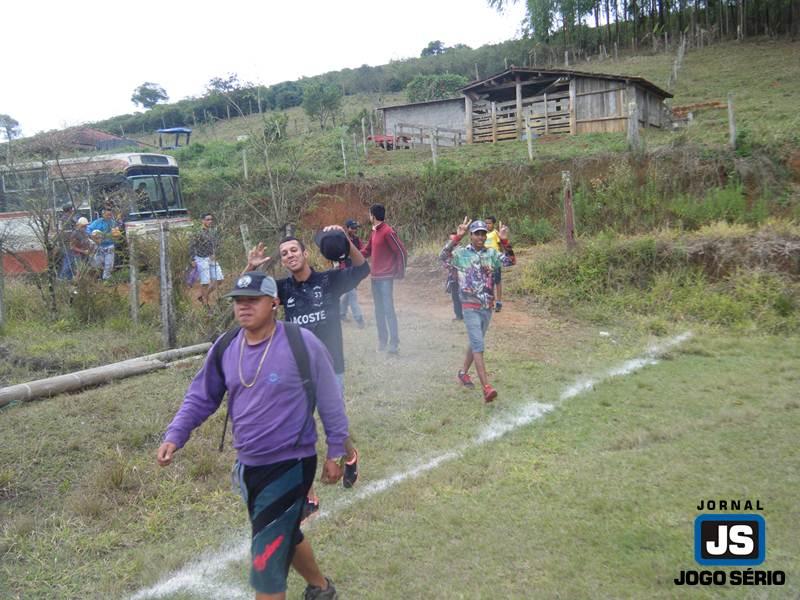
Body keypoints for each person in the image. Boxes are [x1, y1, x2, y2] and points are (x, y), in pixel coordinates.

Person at [157, 272, 344, 600]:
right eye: (238, 301)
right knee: (282, 530)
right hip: (248, 464)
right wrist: (176, 434)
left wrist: (336, 450)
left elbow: (330, 399)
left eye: (252, 300)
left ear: (274, 303)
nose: (243, 307)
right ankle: (320, 587)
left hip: (291, 463)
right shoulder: (227, 346)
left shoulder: (301, 343)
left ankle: (312, 586)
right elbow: (201, 395)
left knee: (266, 559)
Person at [245, 228, 367, 490]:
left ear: (305, 253)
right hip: (296, 368)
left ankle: (349, 455)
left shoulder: (329, 281)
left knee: (333, 420)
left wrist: (346, 241)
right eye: (284, 253)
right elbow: (247, 297)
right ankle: (307, 493)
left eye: (293, 250)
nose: (289, 256)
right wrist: (250, 267)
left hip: (331, 365)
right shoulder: (281, 288)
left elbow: (362, 269)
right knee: (295, 428)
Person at [440, 217, 515, 403]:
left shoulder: (492, 254)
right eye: (476, 234)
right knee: (479, 346)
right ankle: (486, 388)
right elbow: (442, 256)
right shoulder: (461, 254)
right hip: (469, 306)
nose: (480, 237)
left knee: (475, 342)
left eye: (483, 233)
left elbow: (511, 261)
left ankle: (463, 373)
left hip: (486, 307)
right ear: (471, 236)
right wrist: (457, 237)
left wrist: (505, 241)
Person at [361, 204, 407, 354]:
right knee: (378, 311)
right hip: (374, 278)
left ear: (373, 216)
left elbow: (401, 251)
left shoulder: (388, 231)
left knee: (388, 310)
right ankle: (382, 341)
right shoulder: (374, 232)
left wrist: (399, 272)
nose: (369, 217)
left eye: (369, 214)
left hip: (386, 278)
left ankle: (394, 343)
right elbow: (367, 251)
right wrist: (352, 254)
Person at [189, 213, 224, 306]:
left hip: (211, 258)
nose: (210, 221)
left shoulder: (212, 232)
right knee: (205, 282)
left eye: (211, 219)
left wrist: (214, 253)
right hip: (201, 258)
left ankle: (203, 296)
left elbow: (216, 244)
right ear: (203, 221)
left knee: (219, 279)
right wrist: (192, 259)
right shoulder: (198, 232)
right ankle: (206, 305)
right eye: (207, 219)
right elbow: (192, 245)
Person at [338, 219, 365, 328]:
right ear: (347, 228)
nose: (355, 230)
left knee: (348, 295)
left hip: (354, 271)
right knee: (352, 295)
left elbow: (363, 251)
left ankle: (341, 314)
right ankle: (359, 320)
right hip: (345, 271)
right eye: (353, 228)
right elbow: (338, 256)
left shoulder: (356, 240)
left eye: (356, 228)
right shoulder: (342, 240)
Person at [87, 205, 121, 280]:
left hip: (109, 246)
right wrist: (94, 237)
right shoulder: (97, 222)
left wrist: (116, 235)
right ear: (103, 214)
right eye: (108, 214)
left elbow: (117, 233)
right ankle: (99, 278)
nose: (109, 216)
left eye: (110, 215)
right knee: (98, 263)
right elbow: (88, 229)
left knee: (109, 264)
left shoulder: (113, 223)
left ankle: (106, 279)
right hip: (99, 246)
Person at [484, 216, 505, 312]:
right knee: (488, 281)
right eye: (486, 223)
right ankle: (490, 301)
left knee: (497, 281)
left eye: (489, 223)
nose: (487, 225)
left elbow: (501, 246)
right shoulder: (483, 234)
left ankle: (499, 302)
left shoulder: (495, 233)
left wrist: (501, 257)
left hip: (495, 260)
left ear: (493, 224)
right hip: (486, 261)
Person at [445, 231, 463, 321]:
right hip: (453, 277)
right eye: (450, 239)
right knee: (455, 297)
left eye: (454, 239)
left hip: (462, 278)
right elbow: (443, 259)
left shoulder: (462, 250)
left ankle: (464, 315)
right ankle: (459, 316)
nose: (452, 241)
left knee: (463, 297)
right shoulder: (447, 251)